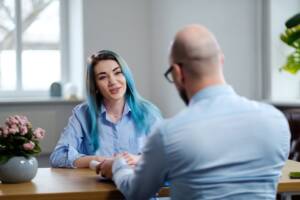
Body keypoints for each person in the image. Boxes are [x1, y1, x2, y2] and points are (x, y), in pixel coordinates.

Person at [99, 24, 291, 199]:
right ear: (221, 61)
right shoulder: (275, 121)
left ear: (177, 72)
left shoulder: (169, 134)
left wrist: (118, 166)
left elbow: (136, 193)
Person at [50, 50, 161, 168]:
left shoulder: (148, 112)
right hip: (95, 185)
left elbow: (167, 155)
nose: (113, 81)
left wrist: (137, 159)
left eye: (117, 73)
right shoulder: (82, 114)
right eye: (103, 77)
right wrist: (98, 160)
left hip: (138, 184)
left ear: (126, 76)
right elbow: (58, 156)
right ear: (95, 86)